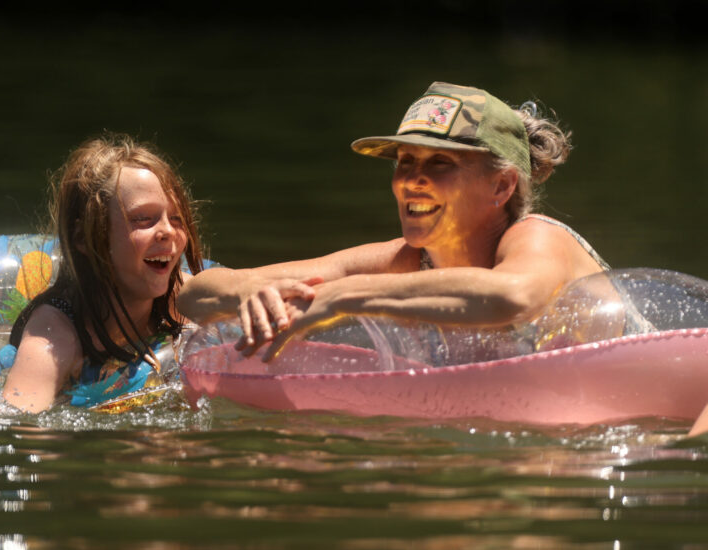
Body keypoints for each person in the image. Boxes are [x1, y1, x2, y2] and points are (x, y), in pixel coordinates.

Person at [177, 81, 608, 360]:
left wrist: (344, 297)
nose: (413, 180)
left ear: (502, 186)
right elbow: (194, 293)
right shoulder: (409, 260)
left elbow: (515, 296)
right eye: (405, 161)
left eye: (440, 162)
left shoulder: (538, 238)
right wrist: (253, 293)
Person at [2, 135, 205, 412]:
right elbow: (18, 427)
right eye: (142, 219)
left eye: (176, 218)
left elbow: (248, 286)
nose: (168, 231)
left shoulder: (180, 298)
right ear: (84, 238)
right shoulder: (53, 334)